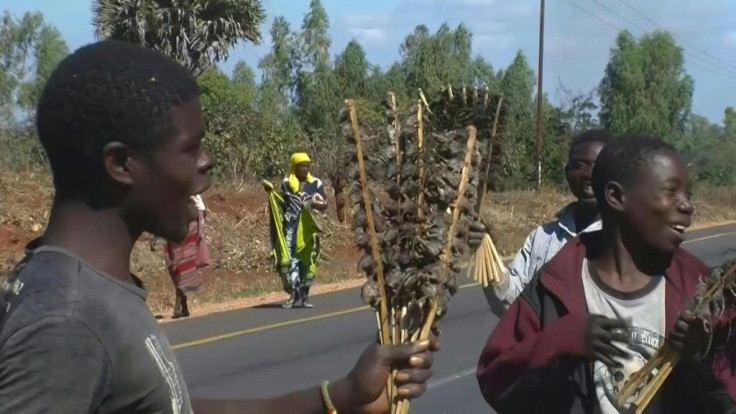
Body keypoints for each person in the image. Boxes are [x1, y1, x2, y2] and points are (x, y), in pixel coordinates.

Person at [0, 40, 438, 414]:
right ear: (121, 164)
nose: (207, 161)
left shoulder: (94, 292)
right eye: (190, 148)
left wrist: (340, 397)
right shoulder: (66, 323)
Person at [475, 136, 736, 413]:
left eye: (688, 195)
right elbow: (495, 380)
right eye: (671, 191)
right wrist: (558, 343)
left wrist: (701, 361)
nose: (687, 206)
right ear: (616, 197)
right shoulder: (556, 281)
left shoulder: (700, 292)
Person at [468, 129, 612, 316]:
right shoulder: (543, 239)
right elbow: (511, 305)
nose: (588, 175)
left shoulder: (628, 240)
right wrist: (484, 252)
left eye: (598, 166)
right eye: (579, 165)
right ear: (567, 173)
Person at [277, 152, 328, 309]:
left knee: (310, 260)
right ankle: (293, 293)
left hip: (308, 228)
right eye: (302, 166)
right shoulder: (286, 183)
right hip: (291, 225)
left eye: (307, 166)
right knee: (289, 258)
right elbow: (281, 203)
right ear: (295, 167)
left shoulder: (316, 183)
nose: (305, 169)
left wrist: (315, 204)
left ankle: (305, 295)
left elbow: (325, 203)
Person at [164, 194, 210, 318]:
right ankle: (184, 306)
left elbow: (200, 207)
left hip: (187, 229)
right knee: (176, 267)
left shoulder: (187, 184)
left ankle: (177, 306)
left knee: (182, 267)